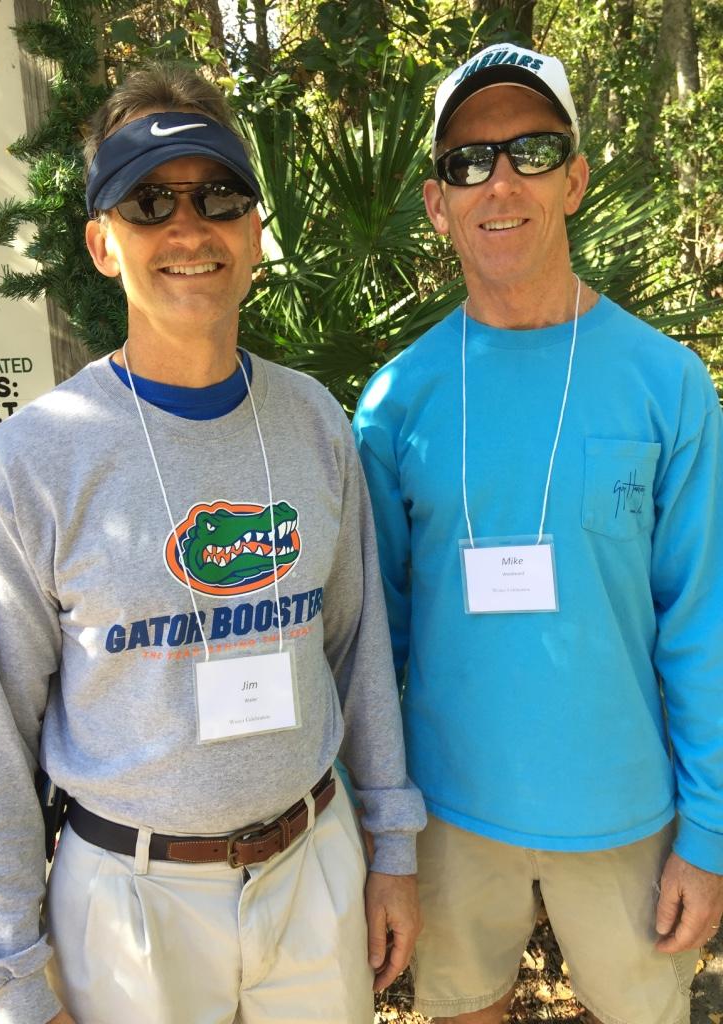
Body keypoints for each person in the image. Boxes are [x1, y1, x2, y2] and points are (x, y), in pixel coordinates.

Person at [0, 63, 425, 1024]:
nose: (187, 227)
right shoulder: (34, 463)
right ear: (102, 242)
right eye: (148, 201)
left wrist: (392, 846)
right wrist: (10, 975)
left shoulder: (314, 422)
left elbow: (357, 650)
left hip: (313, 870)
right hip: (130, 907)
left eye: (218, 196)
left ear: (253, 232)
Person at [353, 42, 723, 1024]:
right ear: (438, 203)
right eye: (469, 161)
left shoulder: (667, 383)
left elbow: (703, 622)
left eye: (533, 149)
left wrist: (712, 832)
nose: (501, 179)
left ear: (575, 179)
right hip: (448, 814)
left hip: (628, 814)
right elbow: (372, 643)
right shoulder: (394, 402)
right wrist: (380, 835)